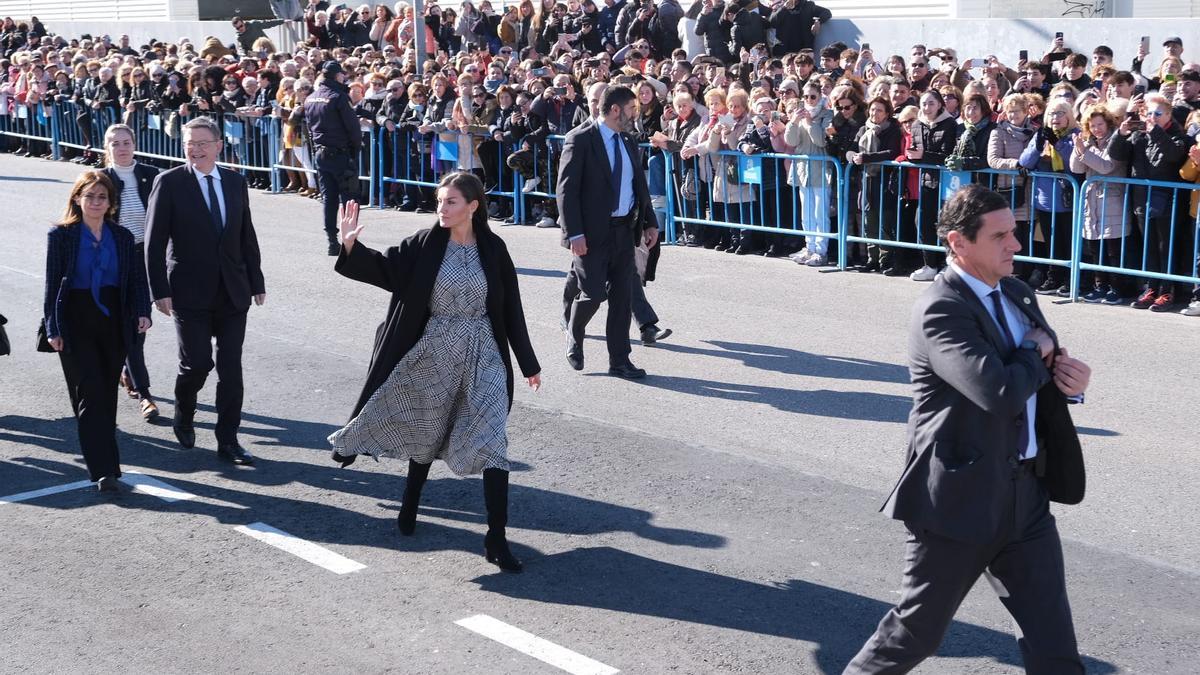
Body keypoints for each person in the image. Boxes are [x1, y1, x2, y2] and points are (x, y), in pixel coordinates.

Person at [844, 184, 1092, 674]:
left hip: (1026, 497)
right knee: (914, 634)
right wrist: (1034, 356)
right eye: (1000, 236)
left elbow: (1039, 371)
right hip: (958, 500)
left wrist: (1070, 383)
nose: (1015, 245)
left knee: (1054, 646)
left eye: (1014, 232)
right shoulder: (941, 308)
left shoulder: (1018, 292)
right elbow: (997, 391)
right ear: (959, 243)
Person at [328, 172, 541, 573]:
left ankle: (496, 538)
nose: (441, 209)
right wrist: (351, 244)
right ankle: (410, 503)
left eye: (451, 202)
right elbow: (386, 270)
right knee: (429, 430)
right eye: (439, 201)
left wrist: (528, 363)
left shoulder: (494, 249)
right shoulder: (425, 244)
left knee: (492, 439)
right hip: (434, 350)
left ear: (473, 207)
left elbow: (511, 307)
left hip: (484, 352)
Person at [145, 116, 267, 466]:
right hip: (188, 291)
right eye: (189, 143)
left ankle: (228, 439)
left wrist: (256, 281)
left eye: (202, 143)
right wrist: (159, 290)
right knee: (197, 363)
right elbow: (154, 243)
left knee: (231, 368)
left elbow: (246, 234)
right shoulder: (168, 183)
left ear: (218, 146)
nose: (195, 149)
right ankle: (184, 410)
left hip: (232, 291)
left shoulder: (235, 181)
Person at [43, 171, 152, 493]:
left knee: (106, 392)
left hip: (113, 319)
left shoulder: (121, 236)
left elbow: (134, 279)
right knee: (89, 392)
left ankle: (108, 463)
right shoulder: (61, 236)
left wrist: (142, 311)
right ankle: (104, 470)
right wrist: (53, 327)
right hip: (75, 320)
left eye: (101, 197)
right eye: (89, 195)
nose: (95, 202)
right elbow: (52, 287)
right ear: (77, 198)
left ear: (110, 202)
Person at [556, 85, 658, 379]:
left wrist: (650, 223)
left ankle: (620, 360)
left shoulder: (628, 141)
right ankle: (575, 331)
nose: (634, 115)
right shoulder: (581, 139)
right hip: (590, 233)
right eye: (631, 110)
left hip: (624, 231)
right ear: (615, 110)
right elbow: (567, 192)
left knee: (622, 298)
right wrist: (574, 234)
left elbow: (639, 186)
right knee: (593, 294)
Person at [101, 124, 162, 422]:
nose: (122, 148)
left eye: (126, 142)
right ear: (107, 147)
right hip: (115, 261)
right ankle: (145, 394)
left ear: (134, 144)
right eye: (115, 143)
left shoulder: (153, 175)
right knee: (131, 327)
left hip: (147, 258)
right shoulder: (100, 180)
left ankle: (128, 370)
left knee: (140, 322)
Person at [305, 60, 363, 255]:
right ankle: (351, 243)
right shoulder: (338, 97)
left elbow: (309, 128)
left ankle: (332, 242)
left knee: (329, 199)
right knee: (350, 199)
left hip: (321, 154)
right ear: (337, 75)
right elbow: (353, 128)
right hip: (340, 155)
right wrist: (355, 150)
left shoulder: (311, 97)